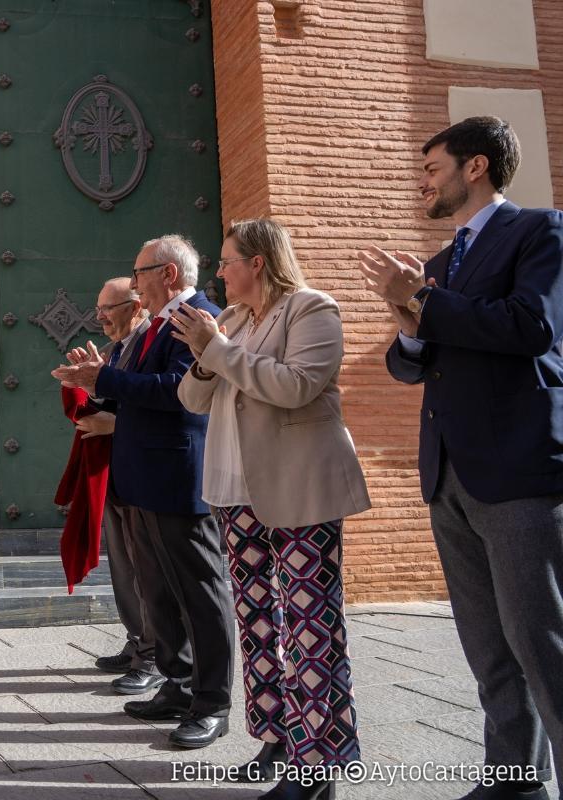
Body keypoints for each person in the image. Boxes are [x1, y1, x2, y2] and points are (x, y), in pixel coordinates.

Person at [358, 116, 563, 800]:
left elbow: (531, 327)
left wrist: (422, 301)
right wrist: (411, 321)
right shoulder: (440, 265)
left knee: (542, 644)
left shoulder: (540, 231)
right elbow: (413, 365)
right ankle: (514, 781)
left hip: (517, 470)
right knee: (487, 647)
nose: (424, 183)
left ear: (474, 168)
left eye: (432, 169)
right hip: (448, 472)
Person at [175, 218, 370, 799]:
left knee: (312, 627)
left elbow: (295, 386)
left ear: (257, 262)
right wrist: (207, 355)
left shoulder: (312, 310)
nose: (219, 271)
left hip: (298, 487)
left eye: (228, 260)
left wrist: (218, 349)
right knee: (259, 623)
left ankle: (319, 767)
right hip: (236, 492)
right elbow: (192, 396)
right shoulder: (230, 321)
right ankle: (278, 739)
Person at [52, 235, 235, 750]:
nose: (135, 284)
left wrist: (107, 376)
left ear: (168, 274)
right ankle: (176, 686)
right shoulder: (155, 324)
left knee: (200, 592)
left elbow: (180, 393)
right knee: (159, 591)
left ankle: (212, 702)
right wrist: (94, 380)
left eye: (140, 273)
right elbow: (134, 389)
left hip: (178, 478)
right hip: (143, 478)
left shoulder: (198, 317)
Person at [53, 278, 154, 688]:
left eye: (106, 308)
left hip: (147, 472)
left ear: (135, 305)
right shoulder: (115, 352)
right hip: (113, 472)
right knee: (126, 565)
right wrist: (82, 382)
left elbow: (166, 404)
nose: (99, 317)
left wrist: (117, 423)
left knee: (149, 569)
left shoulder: (153, 344)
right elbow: (100, 407)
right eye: (97, 309)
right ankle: (138, 642)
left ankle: (155, 657)